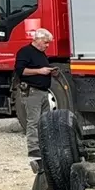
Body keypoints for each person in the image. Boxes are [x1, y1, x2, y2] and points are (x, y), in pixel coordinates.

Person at [15, 28, 57, 162]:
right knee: (33, 121)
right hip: (32, 91)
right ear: (37, 39)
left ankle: (44, 145)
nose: (47, 45)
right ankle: (33, 148)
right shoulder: (25, 52)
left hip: (44, 91)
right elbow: (20, 71)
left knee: (44, 121)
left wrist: (50, 72)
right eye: (45, 42)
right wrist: (40, 71)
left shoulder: (42, 54)